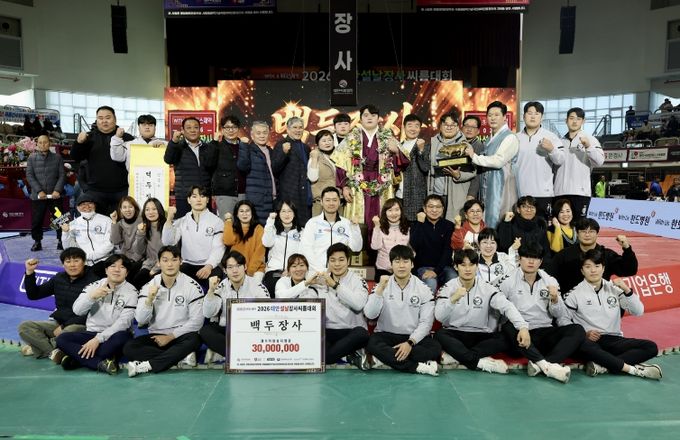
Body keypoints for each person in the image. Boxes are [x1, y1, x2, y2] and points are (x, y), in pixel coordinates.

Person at [562, 249, 662, 380]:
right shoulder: (573, 294)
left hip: (614, 340)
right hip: (590, 341)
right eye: (588, 267)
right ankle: (625, 367)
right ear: (582, 271)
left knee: (651, 347)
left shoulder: (615, 289)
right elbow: (563, 321)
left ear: (603, 268)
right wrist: (584, 333)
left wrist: (626, 289)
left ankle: (604, 366)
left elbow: (638, 311)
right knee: (584, 348)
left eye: (597, 266)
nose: (593, 270)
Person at [495, 243, 583, 383]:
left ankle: (542, 364)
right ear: (519, 259)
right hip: (520, 333)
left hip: (543, 331)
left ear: (541, 261)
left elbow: (559, 314)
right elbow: (498, 309)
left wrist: (555, 299)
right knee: (508, 327)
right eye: (527, 257)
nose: (531, 261)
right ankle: (547, 367)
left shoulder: (550, 281)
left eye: (535, 258)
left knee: (577, 330)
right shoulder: (507, 280)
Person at [434, 249, 530, 374]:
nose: (468, 269)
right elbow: (439, 316)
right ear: (456, 267)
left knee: (505, 338)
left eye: (471, 265)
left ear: (477, 266)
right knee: (439, 335)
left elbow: (507, 306)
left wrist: (523, 327)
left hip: (481, 335)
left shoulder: (487, 288)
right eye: (463, 265)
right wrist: (453, 299)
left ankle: (459, 357)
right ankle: (480, 363)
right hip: (455, 333)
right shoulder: (448, 287)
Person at [124, 245, 204, 377]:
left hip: (180, 336)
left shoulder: (192, 286)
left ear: (180, 261)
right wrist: (149, 299)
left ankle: (148, 365)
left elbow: (197, 321)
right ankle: (181, 357)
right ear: (158, 263)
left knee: (194, 339)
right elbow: (141, 320)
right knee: (129, 348)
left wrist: (171, 336)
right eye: (165, 260)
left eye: (174, 260)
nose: (170, 264)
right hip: (156, 336)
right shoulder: (149, 286)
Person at [364, 245, 441, 376]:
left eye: (405, 261)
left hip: (413, 337)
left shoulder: (423, 289)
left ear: (412, 264)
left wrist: (410, 343)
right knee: (372, 343)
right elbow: (370, 314)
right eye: (397, 261)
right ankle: (417, 366)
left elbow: (426, 323)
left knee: (435, 348)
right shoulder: (381, 286)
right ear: (391, 264)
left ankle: (384, 359)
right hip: (386, 335)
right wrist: (380, 289)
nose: (401, 266)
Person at [55, 254, 138, 374]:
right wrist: (92, 297)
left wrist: (98, 340)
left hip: (114, 335)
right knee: (62, 339)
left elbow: (123, 323)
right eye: (113, 266)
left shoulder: (132, 292)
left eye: (122, 267)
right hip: (91, 332)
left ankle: (78, 358)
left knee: (122, 339)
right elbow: (77, 311)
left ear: (127, 272)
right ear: (106, 270)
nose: (117, 270)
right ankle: (99, 363)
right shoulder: (93, 286)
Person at [331, 104, 409, 230]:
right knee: (359, 222)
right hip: (357, 182)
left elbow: (405, 160)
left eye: (373, 115)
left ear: (378, 118)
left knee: (381, 216)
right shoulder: (351, 137)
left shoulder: (387, 136)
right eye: (366, 115)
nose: (369, 118)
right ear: (360, 118)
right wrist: (345, 187)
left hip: (382, 182)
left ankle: (382, 242)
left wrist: (396, 152)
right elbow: (340, 164)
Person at [17, 248, 97, 359]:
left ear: (84, 262)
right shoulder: (59, 278)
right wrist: (29, 272)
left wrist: (64, 326)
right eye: (68, 261)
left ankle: (39, 347)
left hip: (81, 325)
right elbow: (33, 295)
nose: (72, 265)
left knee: (67, 332)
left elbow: (93, 312)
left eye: (76, 261)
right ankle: (53, 351)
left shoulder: (94, 280)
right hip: (58, 323)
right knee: (25, 327)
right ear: (63, 264)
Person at [302, 243, 369, 368]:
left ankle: (337, 354)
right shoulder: (320, 281)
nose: (337, 264)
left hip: (351, 331)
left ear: (348, 261)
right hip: (329, 331)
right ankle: (348, 355)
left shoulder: (358, 281)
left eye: (341, 260)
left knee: (362, 334)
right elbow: (307, 307)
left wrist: (335, 285)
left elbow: (358, 305)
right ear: (328, 262)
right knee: (315, 348)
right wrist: (307, 283)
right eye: (332, 260)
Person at [200, 251, 270, 363]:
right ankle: (240, 354)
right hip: (227, 329)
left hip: (250, 330)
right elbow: (208, 313)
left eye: (238, 266)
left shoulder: (257, 287)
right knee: (205, 331)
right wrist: (211, 291)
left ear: (245, 267)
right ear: (224, 270)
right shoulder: (220, 287)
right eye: (230, 267)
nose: (235, 270)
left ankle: (227, 353)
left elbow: (267, 314)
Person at [465, 101, 519, 228]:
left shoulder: (510, 137)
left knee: (500, 221)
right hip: (488, 187)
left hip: (501, 188)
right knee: (487, 223)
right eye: (490, 115)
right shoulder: (490, 139)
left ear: (504, 117)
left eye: (496, 115)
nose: (492, 118)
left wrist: (474, 156)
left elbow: (498, 161)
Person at [70, 106, 134, 215]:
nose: (104, 121)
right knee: (95, 223)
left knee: (121, 223)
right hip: (95, 191)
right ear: (96, 120)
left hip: (122, 191)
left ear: (115, 119)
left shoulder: (127, 138)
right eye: (100, 118)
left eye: (108, 118)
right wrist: (79, 143)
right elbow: (75, 157)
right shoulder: (88, 137)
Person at [549, 218, 638, 294]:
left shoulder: (606, 255)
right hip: (571, 303)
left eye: (591, 231)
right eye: (583, 231)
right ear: (577, 233)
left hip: (600, 302)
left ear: (597, 234)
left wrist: (627, 248)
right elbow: (551, 277)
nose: (587, 235)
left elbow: (629, 270)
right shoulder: (564, 255)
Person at [162, 186, 225, 286]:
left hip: (208, 265)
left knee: (216, 279)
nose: (198, 200)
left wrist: (209, 266)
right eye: (194, 196)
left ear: (207, 200)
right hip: (187, 264)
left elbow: (218, 248)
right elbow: (168, 242)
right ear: (189, 200)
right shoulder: (183, 221)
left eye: (202, 196)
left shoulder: (217, 222)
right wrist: (169, 219)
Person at [515, 101, 564, 220]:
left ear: (542, 117)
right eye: (529, 113)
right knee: (521, 227)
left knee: (542, 227)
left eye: (536, 113)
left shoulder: (551, 137)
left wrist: (551, 149)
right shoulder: (515, 138)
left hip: (543, 193)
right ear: (523, 116)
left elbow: (560, 160)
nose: (533, 116)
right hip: (520, 193)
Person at [553, 107, 604, 218]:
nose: (575, 121)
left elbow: (600, 161)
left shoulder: (590, 139)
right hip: (559, 192)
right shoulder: (559, 141)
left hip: (580, 192)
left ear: (583, 121)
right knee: (560, 225)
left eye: (578, 119)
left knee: (579, 224)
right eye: (571, 118)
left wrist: (588, 146)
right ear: (566, 120)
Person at [300, 186, 362, 273]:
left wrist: (355, 228)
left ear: (339, 202)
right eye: (327, 200)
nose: (331, 203)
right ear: (321, 202)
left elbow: (356, 248)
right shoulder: (312, 223)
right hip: (317, 273)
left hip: (339, 273)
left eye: (334, 200)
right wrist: (321, 271)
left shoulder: (347, 223)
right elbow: (306, 250)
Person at [164, 117, 217, 218]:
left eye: (196, 127)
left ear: (200, 129)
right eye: (188, 128)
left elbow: (212, 167)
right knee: (184, 225)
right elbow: (168, 159)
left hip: (203, 196)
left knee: (205, 225)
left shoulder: (207, 147)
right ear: (182, 130)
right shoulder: (178, 146)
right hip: (184, 196)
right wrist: (174, 142)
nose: (193, 130)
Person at [429, 111, 472, 222]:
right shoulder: (432, 142)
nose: (449, 127)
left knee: (453, 225)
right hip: (435, 193)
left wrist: (459, 175)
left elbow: (473, 170)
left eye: (452, 125)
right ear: (440, 126)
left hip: (455, 195)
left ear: (457, 127)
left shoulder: (465, 145)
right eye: (445, 124)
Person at [409, 194, 456, 293]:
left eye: (438, 207)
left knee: (453, 279)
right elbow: (414, 245)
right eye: (431, 207)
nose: (434, 210)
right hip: (423, 267)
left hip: (444, 267)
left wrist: (436, 271)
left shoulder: (449, 225)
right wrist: (419, 223)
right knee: (431, 283)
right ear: (424, 209)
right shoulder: (416, 225)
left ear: (443, 209)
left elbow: (448, 251)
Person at [26, 134, 64, 251]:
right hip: (38, 197)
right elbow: (29, 176)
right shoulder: (31, 158)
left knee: (59, 219)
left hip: (55, 196)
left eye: (45, 142)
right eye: (40, 142)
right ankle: (37, 241)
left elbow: (62, 175)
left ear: (50, 143)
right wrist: (39, 191)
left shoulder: (57, 157)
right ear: (37, 144)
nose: (43, 145)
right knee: (37, 220)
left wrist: (57, 190)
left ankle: (61, 240)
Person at [271, 116, 312, 224]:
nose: (298, 130)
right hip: (288, 193)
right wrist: (284, 153)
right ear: (288, 129)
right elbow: (275, 168)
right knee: (289, 226)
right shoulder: (281, 144)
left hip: (304, 194)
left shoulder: (306, 148)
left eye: (300, 127)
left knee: (303, 226)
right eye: (295, 127)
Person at [61, 193, 114, 275]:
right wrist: (65, 233)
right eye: (83, 204)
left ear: (95, 205)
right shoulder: (73, 224)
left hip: (104, 262)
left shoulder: (106, 220)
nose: (87, 206)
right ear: (77, 208)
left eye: (90, 203)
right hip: (83, 265)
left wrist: (89, 256)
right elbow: (68, 248)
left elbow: (110, 243)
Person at [238, 120, 277, 224]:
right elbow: (242, 166)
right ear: (252, 135)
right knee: (257, 228)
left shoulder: (271, 151)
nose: (262, 136)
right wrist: (243, 146)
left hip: (272, 199)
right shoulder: (249, 150)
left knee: (270, 229)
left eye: (265, 133)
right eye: (258, 133)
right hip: (257, 199)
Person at [262, 200, 303, 295]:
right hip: (274, 271)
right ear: (278, 213)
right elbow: (267, 243)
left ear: (294, 213)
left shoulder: (301, 232)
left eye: (289, 211)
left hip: (294, 271)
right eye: (283, 211)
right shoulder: (273, 229)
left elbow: (302, 254)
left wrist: (291, 269)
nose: (286, 214)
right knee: (273, 288)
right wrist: (270, 221)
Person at [211, 115, 246, 219]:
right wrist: (214, 142)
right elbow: (208, 163)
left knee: (243, 224)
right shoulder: (217, 146)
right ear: (222, 129)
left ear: (238, 129)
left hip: (244, 192)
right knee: (227, 224)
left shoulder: (244, 146)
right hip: (224, 193)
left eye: (234, 127)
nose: (231, 130)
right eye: (227, 127)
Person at [497, 195, 551, 262]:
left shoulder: (540, 225)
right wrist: (506, 223)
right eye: (524, 207)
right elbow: (503, 247)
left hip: (536, 264)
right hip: (512, 263)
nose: (529, 210)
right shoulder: (509, 224)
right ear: (518, 210)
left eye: (532, 207)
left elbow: (546, 251)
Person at [223, 200, 266, 283]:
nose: (244, 214)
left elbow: (259, 253)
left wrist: (248, 273)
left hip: (255, 269)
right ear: (237, 214)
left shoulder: (259, 229)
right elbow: (228, 241)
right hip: (236, 268)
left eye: (247, 211)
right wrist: (228, 220)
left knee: (252, 287)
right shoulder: (233, 228)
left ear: (252, 213)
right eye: (241, 211)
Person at [370, 198, 410, 281]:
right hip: (383, 270)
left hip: (402, 270)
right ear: (385, 212)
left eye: (397, 210)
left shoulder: (408, 228)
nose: (393, 213)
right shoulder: (380, 228)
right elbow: (375, 247)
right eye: (390, 210)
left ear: (401, 211)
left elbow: (412, 250)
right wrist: (377, 227)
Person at [399, 114, 430, 221]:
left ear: (420, 129)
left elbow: (426, 168)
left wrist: (421, 151)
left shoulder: (426, 146)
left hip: (416, 196)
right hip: (399, 194)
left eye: (416, 126)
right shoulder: (398, 146)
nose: (413, 129)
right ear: (404, 127)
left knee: (416, 227)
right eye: (410, 125)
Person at [132, 197, 166, 289]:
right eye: (147, 209)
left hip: (164, 264)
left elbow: (170, 251)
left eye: (154, 209)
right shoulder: (144, 227)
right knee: (136, 282)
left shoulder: (167, 227)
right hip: (149, 263)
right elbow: (139, 251)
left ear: (160, 210)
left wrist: (155, 269)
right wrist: (140, 233)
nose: (150, 212)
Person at [109, 196, 143, 281]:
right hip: (124, 257)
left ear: (135, 208)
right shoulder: (120, 223)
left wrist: (132, 260)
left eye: (130, 207)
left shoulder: (141, 221)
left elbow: (141, 248)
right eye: (124, 207)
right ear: (120, 210)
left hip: (138, 258)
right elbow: (115, 241)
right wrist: (114, 221)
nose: (127, 210)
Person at [307, 129, 336, 217]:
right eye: (323, 141)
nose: (327, 143)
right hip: (321, 202)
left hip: (337, 201)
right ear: (317, 144)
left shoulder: (338, 155)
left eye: (329, 140)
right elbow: (312, 178)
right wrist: (314, 158)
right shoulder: (315, 156)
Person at [461, 115, 485, 201]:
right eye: (467, 126)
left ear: (478, 131)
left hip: (469, 189)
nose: (469, 129)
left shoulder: (479, 146)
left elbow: (478, 172)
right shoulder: (457, 143)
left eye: (473, 127)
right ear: (462, 128)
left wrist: (471, 194)